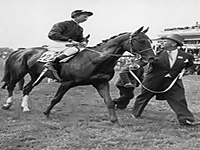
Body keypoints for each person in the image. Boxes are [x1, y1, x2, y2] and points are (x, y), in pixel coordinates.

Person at [131, 34, 200, 126]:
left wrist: (187, 71)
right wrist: (137, 66)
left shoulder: (186, 56)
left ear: (173, 44)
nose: (162, 42)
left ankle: (186, 120)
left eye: (165, 41)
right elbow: (144, 60)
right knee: (143, 98)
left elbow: (191, 66)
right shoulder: (156, 54)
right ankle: (135, 114)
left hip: (172, 82)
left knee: (179, 99)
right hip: (153, 81)